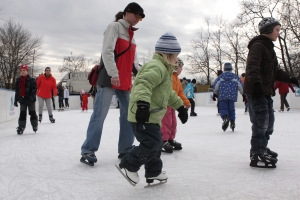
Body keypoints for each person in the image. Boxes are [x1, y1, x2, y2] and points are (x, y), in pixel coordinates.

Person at [118, 32, 188, 185]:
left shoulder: (165, 70)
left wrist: (180, 107)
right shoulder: (157, 67)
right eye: (176, 55)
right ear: (168, 55)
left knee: (155, 146)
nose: (177, 59)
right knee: (153, 144)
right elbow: (143, 83)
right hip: (143, 115)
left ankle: (154, 172)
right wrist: (142, 105)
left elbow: (168, 94)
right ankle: (129, 165)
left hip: (153, 116)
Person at [80, 2, 145, 166]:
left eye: (141, 18)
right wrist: (114, 74)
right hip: (109, 78)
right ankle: (88, 150)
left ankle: (125, 148)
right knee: (100, 115)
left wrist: (144, 76)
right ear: (127, 12)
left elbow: (134, 63)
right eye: (136, 15)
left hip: (124, 81)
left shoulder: (132, 35)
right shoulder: (114, 27)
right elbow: (107, 51)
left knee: (129, 114)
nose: (138, 19)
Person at [244, 17, 299, 168]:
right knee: (261, 123)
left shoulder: (270, 49)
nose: (278, 34)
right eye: (277, 30)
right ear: (268, 30)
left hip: (266, 92)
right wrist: (256, 84)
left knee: (269, 124)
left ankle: (262, 147)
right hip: (257, 91)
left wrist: (290, 79)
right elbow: (252, 67)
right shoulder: (258, 46)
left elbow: (276, 71)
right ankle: (257, 153)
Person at [161, 58, 190, 153]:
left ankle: (170, 139)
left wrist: (186, 102)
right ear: (175, 66)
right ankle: (163, 141)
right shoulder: (169, 76)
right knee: (166, 123)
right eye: (180, 67)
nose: (181, 69)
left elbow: (180, 92)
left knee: (173, 123)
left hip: (174, 105)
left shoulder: (177, 79)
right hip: (166, 104)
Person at [213, 62, 244, 132]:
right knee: (231, 109)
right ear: (231, 69)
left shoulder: (221, 77)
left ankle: (225, 118)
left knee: (223, 108)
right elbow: (240, 86)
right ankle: (232, 121)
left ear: (224, 69)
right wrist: (243, 94)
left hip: (222, 96)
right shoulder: (235, 77)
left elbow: (216, 86)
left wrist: (215, 93)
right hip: (232, 96)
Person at [14, 64, 38, 134]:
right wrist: (16, 99)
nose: (22, 72)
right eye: (21, 71)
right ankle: (21, 127)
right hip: (22, 99)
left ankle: (34, 125)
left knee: (32, 113)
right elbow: (17, 90)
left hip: (31, 100)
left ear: (27, 71)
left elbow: (34, 90)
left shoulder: (32, 80)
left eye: (24, 70)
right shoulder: (18, 80)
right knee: (22, 113)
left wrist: (30, 98)